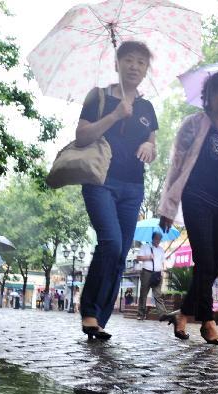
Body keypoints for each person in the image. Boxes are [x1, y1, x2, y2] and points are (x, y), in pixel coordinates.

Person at [158, 69, 218, 345]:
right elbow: (176, 165)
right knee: (206, 261)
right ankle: (208, 322)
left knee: (212, 266)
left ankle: (184, 314)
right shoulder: (193, 124)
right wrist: (167, 206)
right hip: (196, 197)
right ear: (209, 94)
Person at [75, 40, 158, 340]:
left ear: (146, 69)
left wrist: (149, 146)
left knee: (121, 253)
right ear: (117, 63)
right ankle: (89, 312)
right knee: (110, 243)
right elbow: (82, 136)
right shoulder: (98, 97)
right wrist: (114, 116)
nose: (135, 66)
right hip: (100, 180)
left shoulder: (147, 107)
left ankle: (99, 318)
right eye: (129, 60)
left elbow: (152, 144)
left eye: (141, 62)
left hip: (133, 187)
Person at [136, 231, 166, 321]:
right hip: (147, 273)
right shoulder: (145, 247)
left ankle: (163, 315)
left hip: (157, 274)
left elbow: (163, 261)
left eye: (159, 239)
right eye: (157, 238)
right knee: (143, 294)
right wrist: (148, 257)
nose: (158, 240)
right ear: (153, 238)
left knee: (158, 295)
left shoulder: (161, 249)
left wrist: (162, 271)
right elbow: (138, 257)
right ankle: (141, 314)